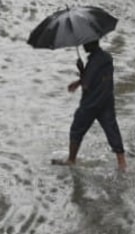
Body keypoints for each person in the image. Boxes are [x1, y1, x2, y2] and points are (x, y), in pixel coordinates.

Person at [51, 39, 127, 171]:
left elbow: (87, 85)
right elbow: (97, 77)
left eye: (85, 43)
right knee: (112, 130)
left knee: (76, 129)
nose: (83, 46)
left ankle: (71, 160)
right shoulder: (106, 58)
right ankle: (122, 163)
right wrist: (78, 82)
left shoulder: (93, 62)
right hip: (106, 101)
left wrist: (81, 70)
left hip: (91, 103)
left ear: (91, 44)